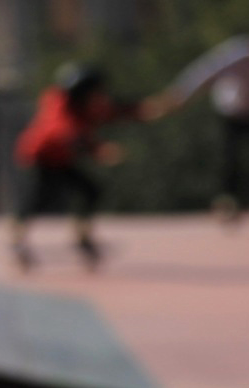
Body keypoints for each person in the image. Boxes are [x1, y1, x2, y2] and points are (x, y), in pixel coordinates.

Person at [10, 63, 156, 271]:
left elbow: (112, 110)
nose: (101, 96)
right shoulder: (60, 108)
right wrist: (98, 150)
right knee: (39, 199)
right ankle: (17, 242)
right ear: (84, 93)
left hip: (61, 159)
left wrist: (143, 109)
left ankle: (82, 238)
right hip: (42, 157)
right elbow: (67, 134)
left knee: (89, 191)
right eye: (97, 92)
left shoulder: (82, 104)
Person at [156, 28, 249, 224]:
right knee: (232, 155)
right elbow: (207, 70)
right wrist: (182, 93)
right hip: (233, 110)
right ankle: (228, 199)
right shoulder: (237, 53)